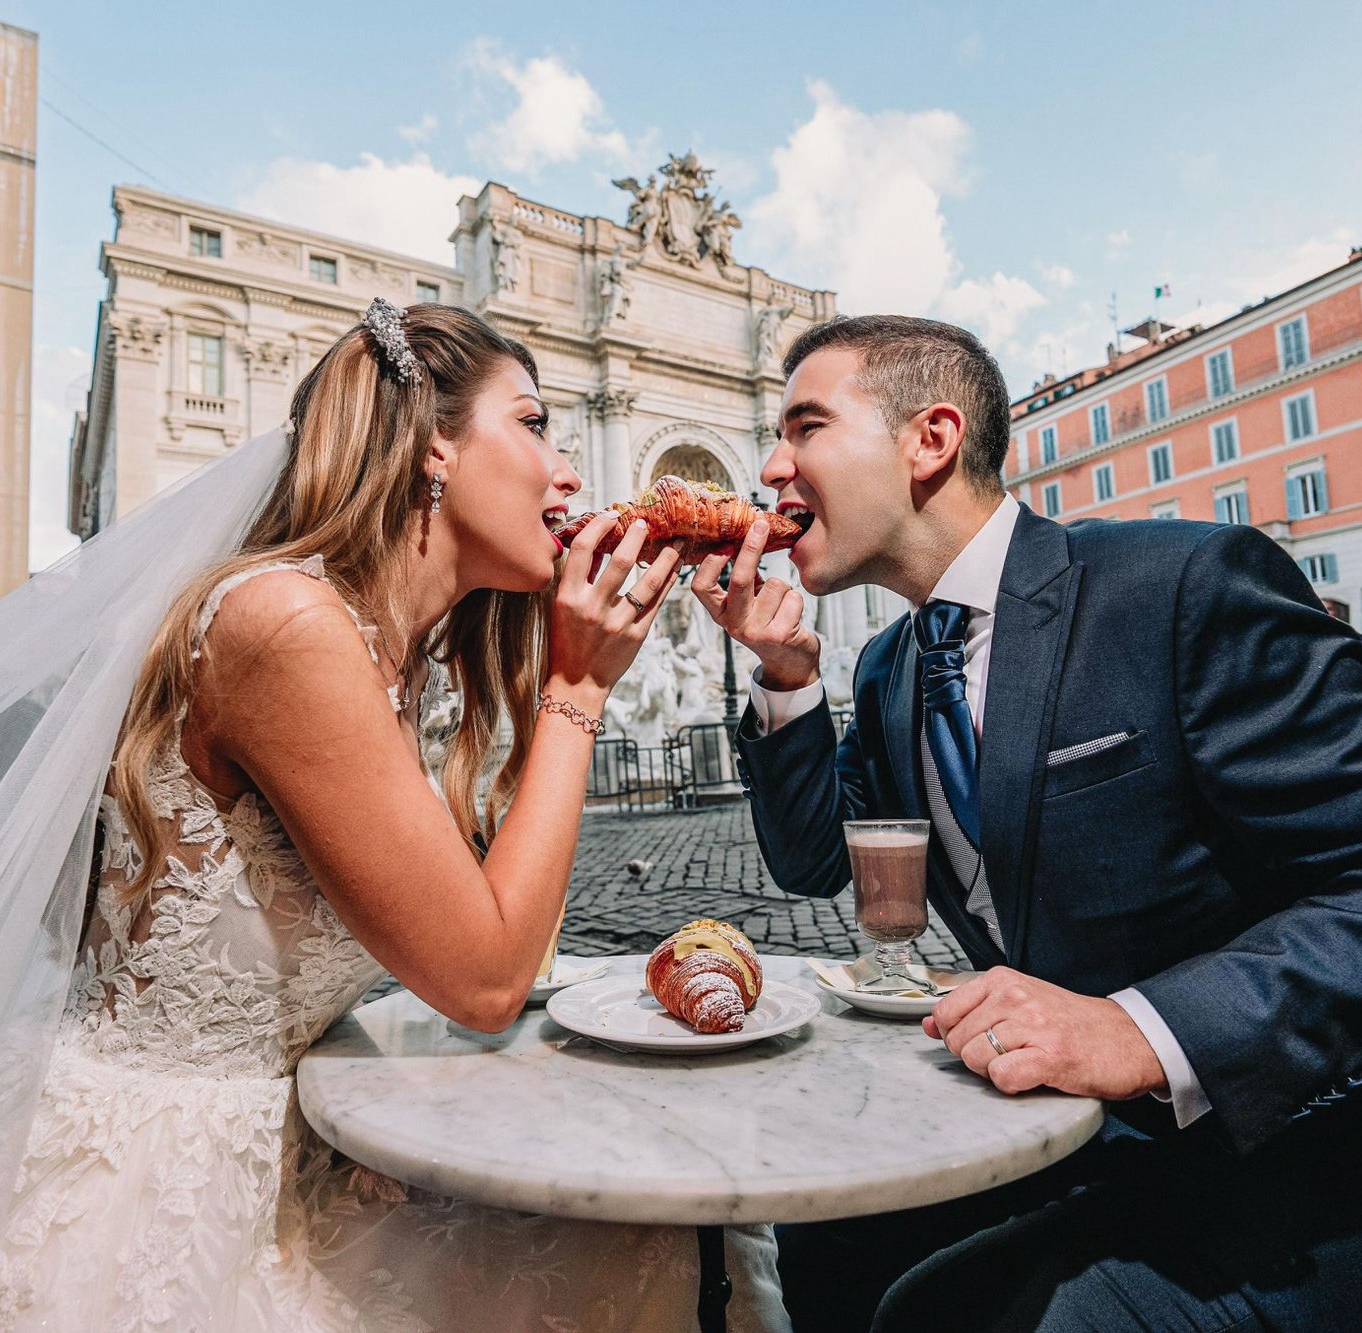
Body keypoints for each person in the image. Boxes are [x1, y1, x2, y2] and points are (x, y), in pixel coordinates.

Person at [0, 300, 790, 1332]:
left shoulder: (391, 653)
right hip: (175, 1188)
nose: (568, 474)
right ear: (433, 453)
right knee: (636, 1249)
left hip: (308, 1136)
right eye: (537, 423)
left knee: (672, 1217)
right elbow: (487, 976)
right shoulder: (284, 623)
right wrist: (579, 692)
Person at [691, 313, 1362, 1332]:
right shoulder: (889, 670)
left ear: (931, 439)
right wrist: (785, 684)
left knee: (948, 1314)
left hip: (1284, 1140)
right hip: (1059, 1126)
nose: (772, 471)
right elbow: (817, 861)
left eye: (805, 428)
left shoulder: (1179, 585)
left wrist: (1143, 1025)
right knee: (821, 1231)